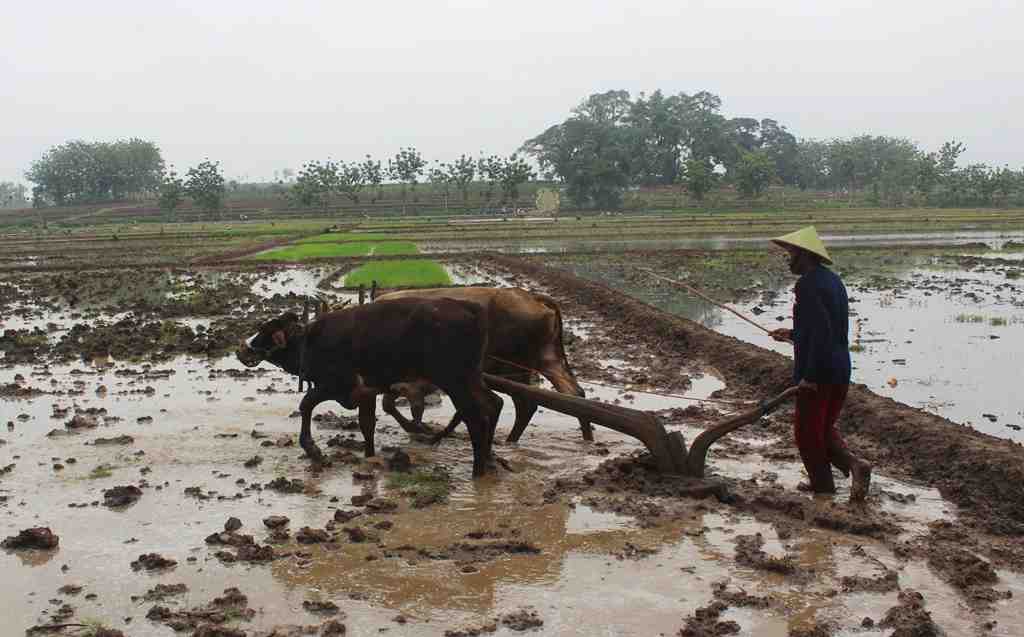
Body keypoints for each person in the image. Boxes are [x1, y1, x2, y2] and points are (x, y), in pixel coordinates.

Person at [768, 226, 872, 502]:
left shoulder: (808, 284)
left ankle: (823, 487)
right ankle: (855, 466)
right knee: (822, 429)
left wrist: (809, 375)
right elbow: (823, 327)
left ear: (804, 255)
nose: (788, 259)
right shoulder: (832, 280)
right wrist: (792, 334)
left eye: (791, 254)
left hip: (820, 371)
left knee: (806, 434)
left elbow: (821, 332)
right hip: (839, 366)